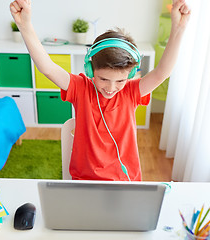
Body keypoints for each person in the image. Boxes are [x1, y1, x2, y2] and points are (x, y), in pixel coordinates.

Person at [10, 0, 191, 181]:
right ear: (90, 70)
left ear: (131, 74)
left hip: (125, 181)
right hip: (84, 180)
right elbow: (47, 68)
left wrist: (178, 27)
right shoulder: (80, 88)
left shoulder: (131, 91)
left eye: (120, 80)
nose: (111, 88)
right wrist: (24, 25)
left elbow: (162, 73)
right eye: (103, 79)